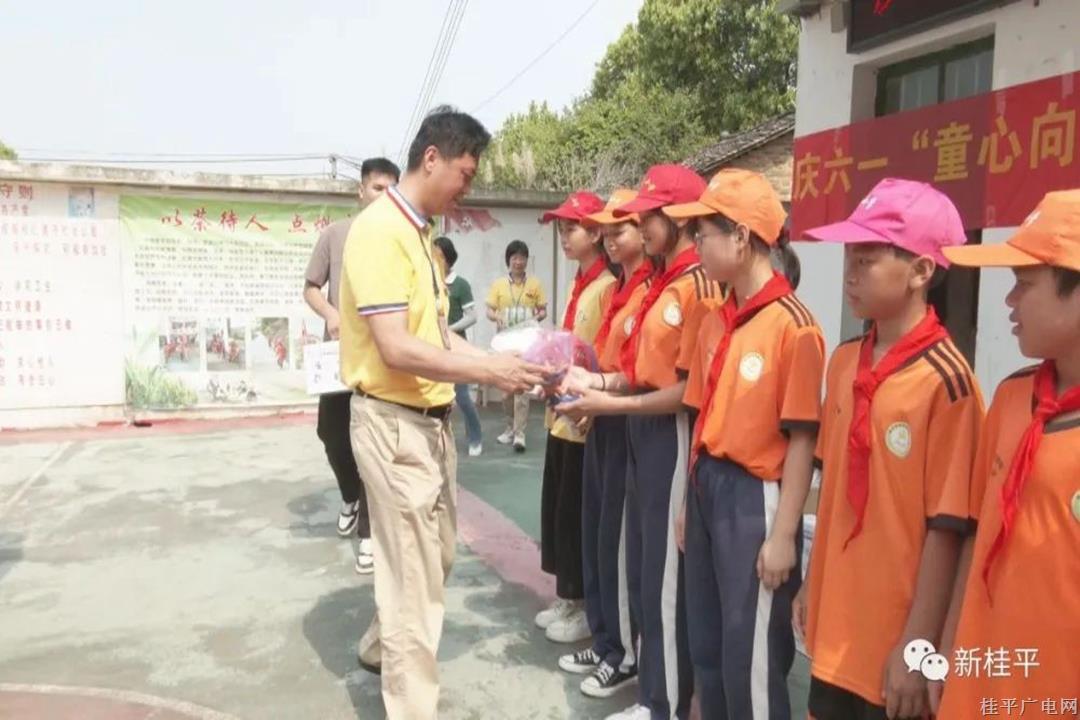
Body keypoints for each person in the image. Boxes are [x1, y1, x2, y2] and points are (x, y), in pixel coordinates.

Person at [338, 106, 546, 720]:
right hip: (393, 424)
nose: (466, 188)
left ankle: (383, 646)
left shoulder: (421, 235)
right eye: (463, 172)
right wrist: (490, 372)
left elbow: (435, 336)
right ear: (432, 158)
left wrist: (501, 361)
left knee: (436, 560)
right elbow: (397, 347)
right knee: (415, 589)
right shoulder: (379, 232)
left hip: (429, 428)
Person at [794, 178, 984, 720]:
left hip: (894, 644)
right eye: (849, 255)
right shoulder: (845, 361)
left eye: (868, 257)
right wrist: (813, 583)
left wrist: (919, 643)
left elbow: (948, 527)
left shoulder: (948, 383)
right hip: (837, 630)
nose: (851, 271)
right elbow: (830, 487)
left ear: (922, 270)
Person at [556, 164, 723, 720]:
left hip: (667, 433)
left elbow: (685, 390)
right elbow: (632, 367)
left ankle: (665, 703)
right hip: (635, 426)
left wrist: (612, 402)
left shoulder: (697, 286)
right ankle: (652, 687)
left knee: (664, 578)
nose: (640, 226)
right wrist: (598, 384)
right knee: (641, 567)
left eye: (649, 217)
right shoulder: (657, 284)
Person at [663, 169, 822, 720]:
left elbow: (801, 441)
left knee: (749, 656)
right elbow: (703, 417)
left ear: (741, 238)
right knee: (706, 644)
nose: (697, 244)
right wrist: (688, 499)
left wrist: (784, 536)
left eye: (704, 232)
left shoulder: (795, 328)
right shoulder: (716, 320)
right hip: (709, 488)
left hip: (755, 499)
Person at [932, 189, 1080, 718]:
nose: (1009, 303)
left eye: (1024, 284)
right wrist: (949, 650)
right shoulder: (1013, 397)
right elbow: (977, 534)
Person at [557, 187, 653, 699]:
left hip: (626, 425)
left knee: (618, 545)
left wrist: (603, 396)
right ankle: (605, 637)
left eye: (623, 228)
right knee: (598, 536)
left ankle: (624, 654)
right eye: (608, 229)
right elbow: (612, 366)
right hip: (603, 417)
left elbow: (642, 375)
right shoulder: (623, 288)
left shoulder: (651, 290)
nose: (612, 238)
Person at [303, 156, 400, 574]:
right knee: (332, 434)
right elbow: (310, 288)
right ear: (360, 191)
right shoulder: (335, 235)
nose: (385, 196)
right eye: (378, 188)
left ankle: (368, 534)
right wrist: (330, 314)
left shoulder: (400, 240)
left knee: (370, 445)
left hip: (381, 362)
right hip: (338, 358)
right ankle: (349, 496)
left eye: (392, 189)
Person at [533, 190, 614, 645]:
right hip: (560, 414)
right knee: (559, 510)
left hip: (583, 418)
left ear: (595, 232)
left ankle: (582, 603)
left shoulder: (605, 288)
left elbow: (601, 359)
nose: (564, 238)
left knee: (577, 515)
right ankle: (567, 596)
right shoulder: (579, 284)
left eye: (571, 229)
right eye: (562, 229)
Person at [487, 239, 548, 451]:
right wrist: (498, 317)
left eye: (522, 258)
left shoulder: (535, 285)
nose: (519, 262)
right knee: (506, 390)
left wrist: (534, 317)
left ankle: (520, 434)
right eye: (515, 258)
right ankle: (510, 427)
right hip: (504, 342)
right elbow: (489, 311)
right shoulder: (498, 285)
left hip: (526, 342)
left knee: (521, 388)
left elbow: (543, 311)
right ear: (508, 260)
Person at [433, 236, 484, 457]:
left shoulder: (460, 284)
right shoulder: (429, 281)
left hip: (456, 347)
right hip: (432, 347)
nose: (435, 258)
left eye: (440, 255)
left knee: (462, 396)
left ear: (448, 258)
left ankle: (475, 437)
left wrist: (450, 329)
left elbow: (472, 316)